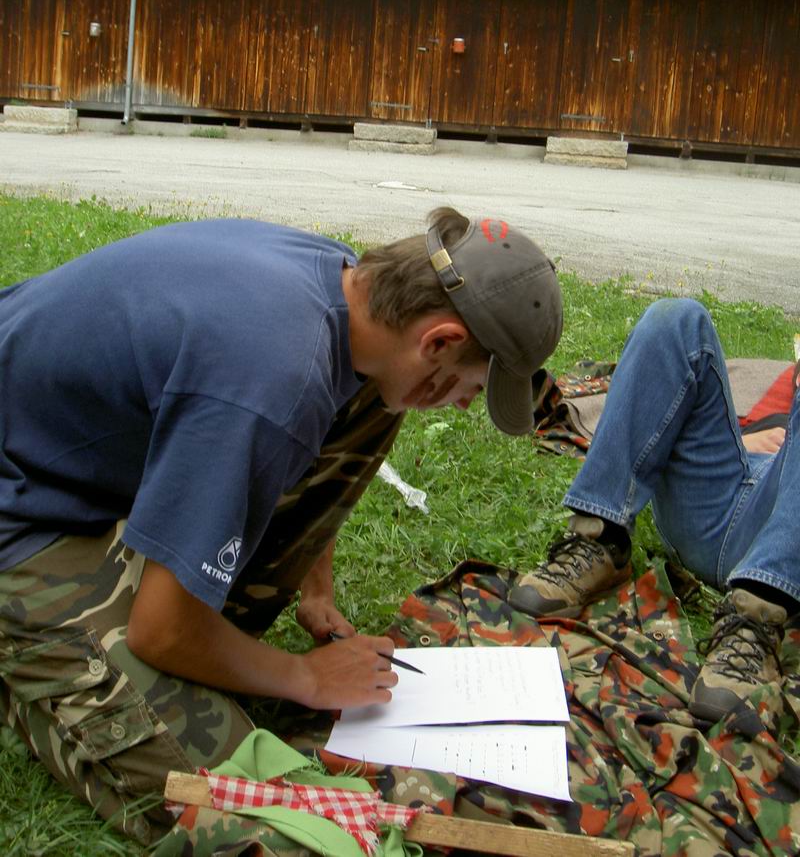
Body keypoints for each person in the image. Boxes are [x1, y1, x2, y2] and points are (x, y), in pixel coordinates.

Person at [0, 207, 562, 843]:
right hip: (23, 510)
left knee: (381, 395)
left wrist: (315, 588)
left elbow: (318, 421)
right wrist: (307, 677)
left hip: (68, 446)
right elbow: (160, 632)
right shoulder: (270, 380)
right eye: (473, 387)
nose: (462, 406)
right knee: (267, 811)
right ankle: (33, 660)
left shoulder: (343, 289)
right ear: (438, 341)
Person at [509, 297, 799, 727]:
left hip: (787, 542)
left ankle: (759, 618)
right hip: (729, 494)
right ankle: (600, 537)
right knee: (676, 319)